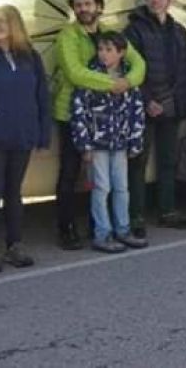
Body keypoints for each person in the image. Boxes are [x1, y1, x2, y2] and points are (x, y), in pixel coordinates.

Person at [53, 0, 145, 250]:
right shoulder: (67, 35)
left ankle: (108, 227)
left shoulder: (110, 35)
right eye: (78, 4)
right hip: (74, 113)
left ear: (98, 6)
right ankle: (67, 227)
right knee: (71, 174)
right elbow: (75, 73)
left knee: (112, 183)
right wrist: (112, 83)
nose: (83, 8)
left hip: (112, 122)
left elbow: (139, 64)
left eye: (88, 3)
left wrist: (128, 81)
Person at [125, 0, 186, 236]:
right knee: (138, 163)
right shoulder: (133, 31)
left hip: (171, 107)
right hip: (146, 107)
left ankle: (167, 211)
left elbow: (185, 70)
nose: (155, 0)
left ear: (169, 0)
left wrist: (181, 104)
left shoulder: (179, 31)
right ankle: (136, 217)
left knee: (168, 161)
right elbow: (128, 70)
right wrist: (146, 101)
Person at [70, 32, 148, 253]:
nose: (103, 54)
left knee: (122, 187)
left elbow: (136, 112)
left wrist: (135, 142)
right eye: (101, 49)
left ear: (121, 53)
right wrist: (84, 145)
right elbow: (79, 112)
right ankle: (102, 233)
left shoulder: (128, 79)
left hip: (121, 143)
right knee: (101, 188)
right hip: (98, 144)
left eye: (109, 50)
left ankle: (123, 229)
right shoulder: (90, 77)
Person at [0, 6, 50, 274]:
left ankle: (15, 245)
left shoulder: (30, 57)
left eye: (2, 21)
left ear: (15, 24)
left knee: (14, 192)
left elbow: (42, 96)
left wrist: (42, 132)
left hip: (22, 134)